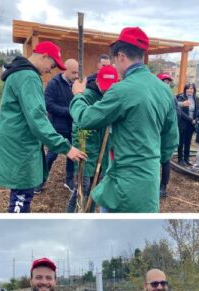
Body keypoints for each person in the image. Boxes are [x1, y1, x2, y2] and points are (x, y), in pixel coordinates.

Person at [70, 27, 178, 213]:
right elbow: (170, 141)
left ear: (120, 56)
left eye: (113, 60)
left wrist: (78, 96)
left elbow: (86, 119)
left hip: (124, 184)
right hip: (150, 181)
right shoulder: (164, 90)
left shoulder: (122, 90)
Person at [0, 41, 86, 213]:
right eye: (51, 64)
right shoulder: (29, 76)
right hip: (21, 149)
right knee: (21, 200)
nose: (51, 70)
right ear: (44, 56)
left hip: (15, 144)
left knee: (20, 196)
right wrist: (66, 147)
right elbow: (38, 120)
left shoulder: (17, 73)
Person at [66, 64, 119, 213]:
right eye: (105, 86)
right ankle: (73, 214)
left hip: (104, 154)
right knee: (81, 191)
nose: (107, 90)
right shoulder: (87, 96)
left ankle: (88, 213)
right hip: (87, 152)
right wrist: (82, 151)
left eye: (111, 86)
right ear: (97, 81)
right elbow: (78, 126)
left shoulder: (113, 97)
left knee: (96, 190)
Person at [44, 58, 80, 193]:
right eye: (74, 73)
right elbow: (48, 104)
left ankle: (69, 180)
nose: (76, 76)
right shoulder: (53, 84)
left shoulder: (76, 84)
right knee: (52, 155)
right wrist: (68, 111)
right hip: (57, 127)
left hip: (72, 127)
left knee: (72, 155)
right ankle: (41, 180)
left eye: (77, 73)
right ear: (65, 70)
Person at [176, 83, 199, 166]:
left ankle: (186, 158)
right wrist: (190, 119)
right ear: (185, 89)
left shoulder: (196, 98)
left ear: (194, 90)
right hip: (183, 123)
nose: (190, 90)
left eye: (192, 89)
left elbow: (198, 110)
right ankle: (180, 159)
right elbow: (180, 112)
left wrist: (196, 119)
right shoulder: (181, 97)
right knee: (181, 141)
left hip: (192, 124)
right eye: (188, 88)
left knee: (188, 142)